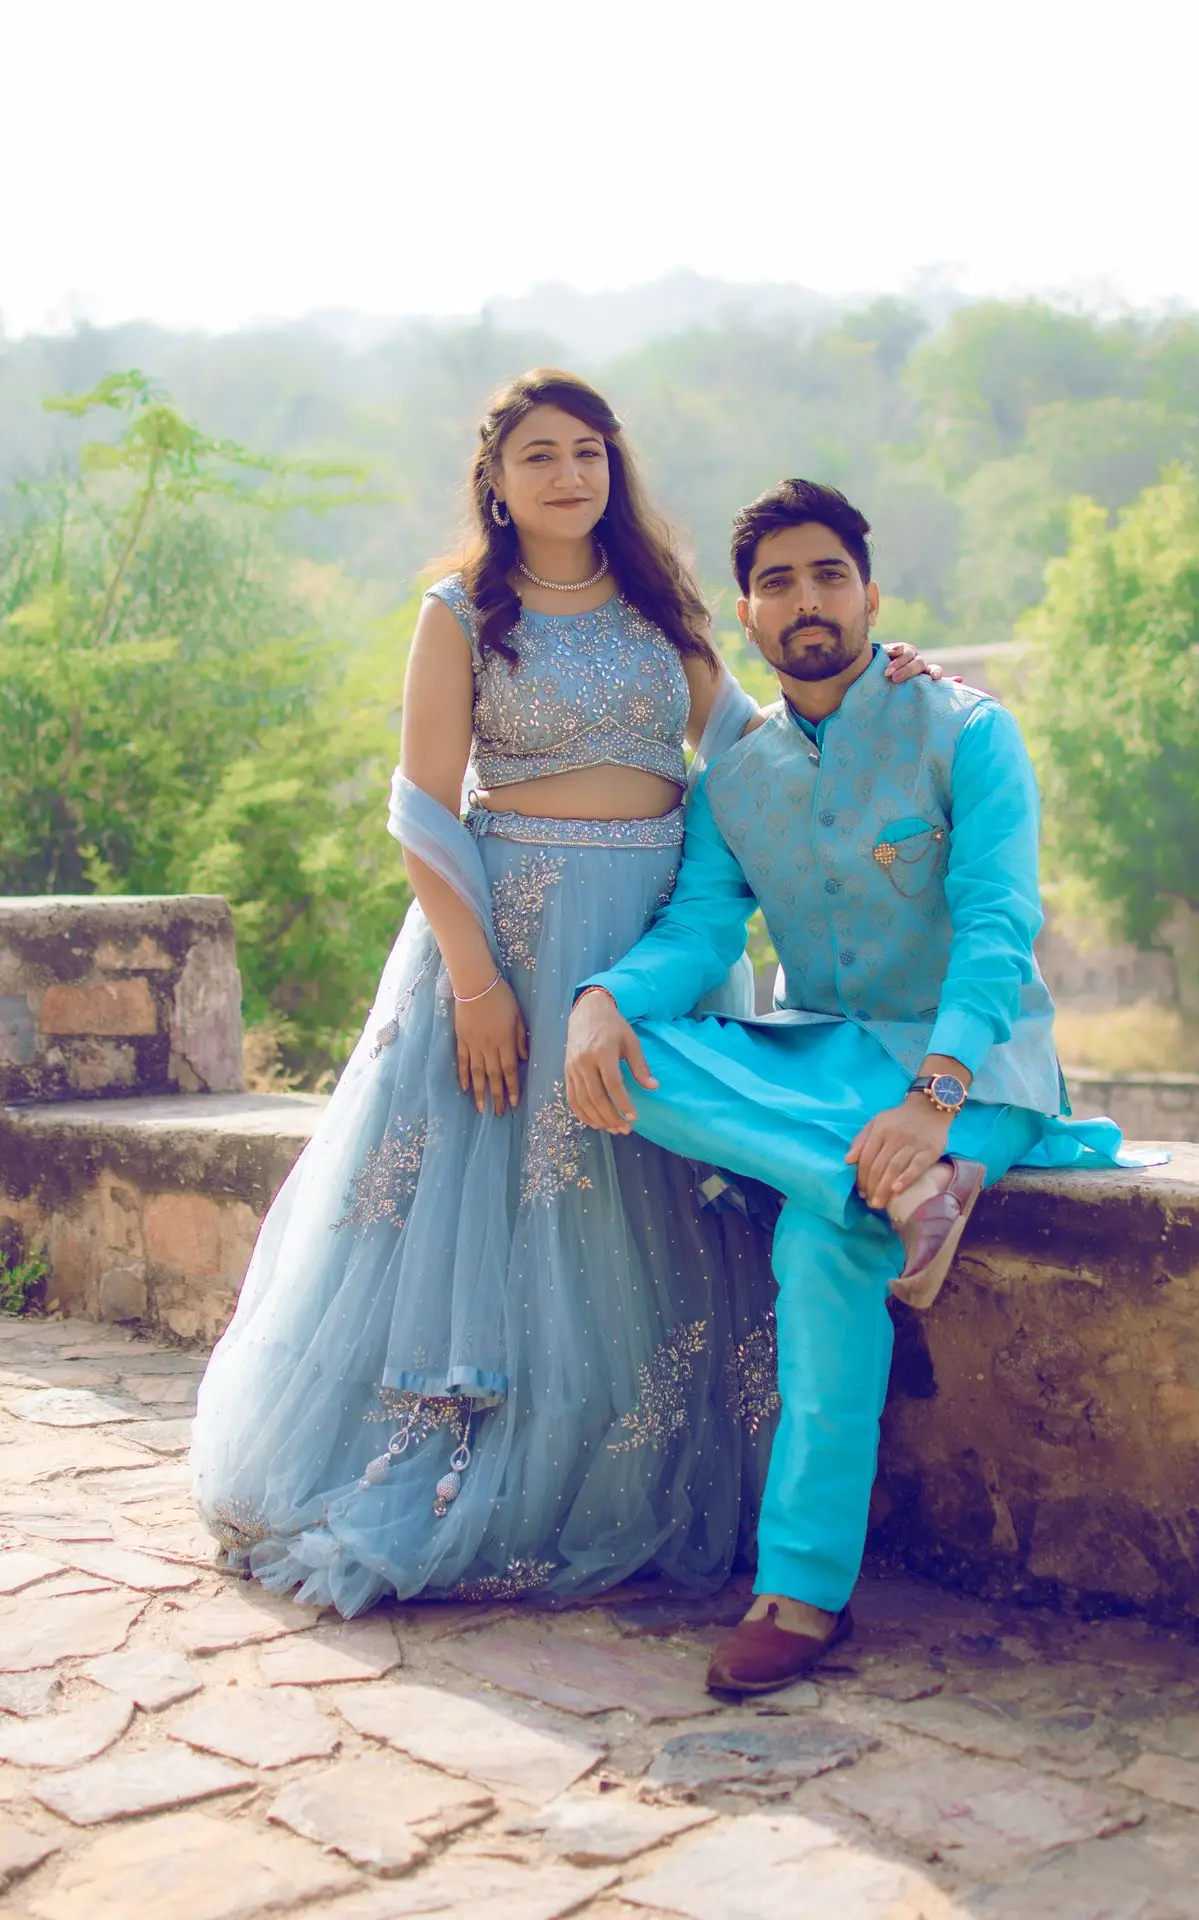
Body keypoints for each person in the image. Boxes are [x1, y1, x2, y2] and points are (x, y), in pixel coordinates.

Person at [190, 377, 937, 1616]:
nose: (568, 474)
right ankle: (471, 1478)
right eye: (538, 455)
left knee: (656, 1205)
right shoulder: (460, 612)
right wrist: (477, 985)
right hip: (509, 942)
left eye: (587, 451)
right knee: (503, 1210)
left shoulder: (659, 603)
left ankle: (648, 1479)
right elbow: (422, 810)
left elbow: (753, 740)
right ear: (495, 478)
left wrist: (877, 677)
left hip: (658, 937)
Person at [565, 477, 1168, 1693]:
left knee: (810, 1248)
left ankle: (796, 1595)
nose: (805, 600)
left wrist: (931, 1101)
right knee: (633, 1048)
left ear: (868, 592)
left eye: (826, 575)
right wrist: (604, 998)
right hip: (828, 1072)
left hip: (975, 1071)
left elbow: (997, 929)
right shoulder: (735, 776)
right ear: (747, 615)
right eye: (777, 581)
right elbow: (697, 932)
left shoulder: (963, 729)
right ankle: (890, 1195)